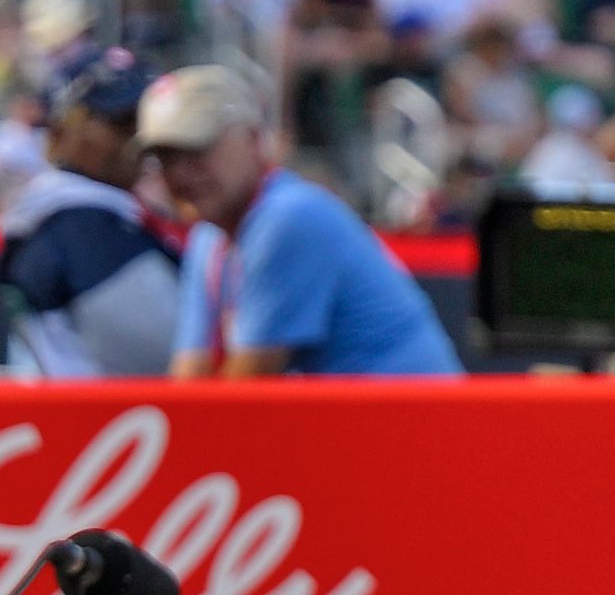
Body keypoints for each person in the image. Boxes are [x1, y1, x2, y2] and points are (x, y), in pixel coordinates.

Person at [147, 65, 459, 378]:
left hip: (412, 421)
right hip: (361, 419)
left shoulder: (288, 218)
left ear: (254, 140)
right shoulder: (208, 237)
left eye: (197, 148)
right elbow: (189, 384)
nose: (180, 173)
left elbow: (241, 398)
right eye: (166, 156)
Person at [0, 46, 183, 380]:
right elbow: (169, 354)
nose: (141, 138)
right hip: (109, 421)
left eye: (146, 120)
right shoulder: (83, 225)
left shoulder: (78, 214)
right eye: (121, 122)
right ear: (61, 130)